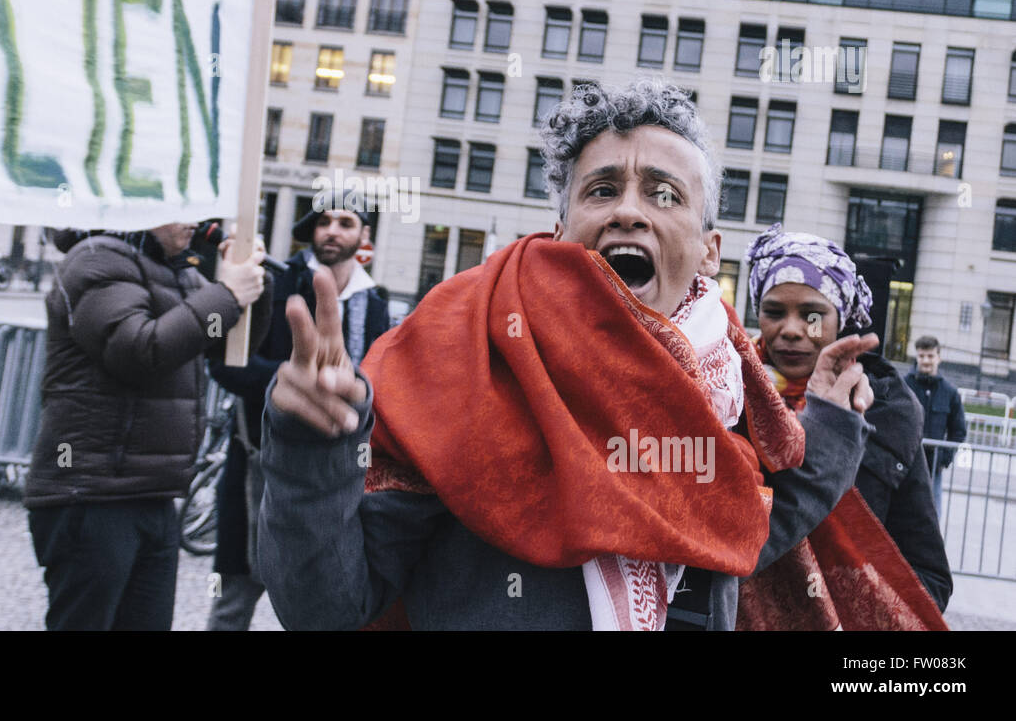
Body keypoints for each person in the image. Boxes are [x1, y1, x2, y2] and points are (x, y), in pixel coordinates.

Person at [257, 77, 880, 631]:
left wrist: (829, 423)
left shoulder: (731, 387)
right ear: (560, 231)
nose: (630, 211)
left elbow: (738, 531)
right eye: (602, 190)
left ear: (710, 251)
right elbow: (328, 609)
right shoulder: (464, 355)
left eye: (665, 195)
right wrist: (313, 447)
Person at [23, 222, 272, 631]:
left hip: (153, 492)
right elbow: (138, 349)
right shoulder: (95, 258)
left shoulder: (180, 271)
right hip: (90, 492)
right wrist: (226, 294)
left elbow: (226, 348)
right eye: (183, 206)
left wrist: (253, 289)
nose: (196, 220)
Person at [738, 225, 951, 625]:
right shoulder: (722, 395)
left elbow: (927, 578)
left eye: (813, 315)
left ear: (843, 320)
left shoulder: (887, 416)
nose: (792, 329)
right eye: (774, 312)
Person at [206, 199, 391, 631]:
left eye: (346, 222)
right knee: (235, 598)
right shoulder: (277, 281)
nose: (332, 230)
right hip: (262, 459)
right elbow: (226, 363)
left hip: (346, 475)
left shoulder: (376, 301)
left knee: (326, 599)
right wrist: (289, 385)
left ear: (364, 236)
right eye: (324, 221)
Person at [905, 335, 967, 516]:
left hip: (933, 468)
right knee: (901, 516)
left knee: (931, 516)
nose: (925, 361)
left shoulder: (950, 392)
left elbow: (958, 430)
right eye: (922, 356)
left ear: (938, 358)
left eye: (930, 356)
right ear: (916, 357)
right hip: (905, 464)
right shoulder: (903, 386)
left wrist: (944, 459)